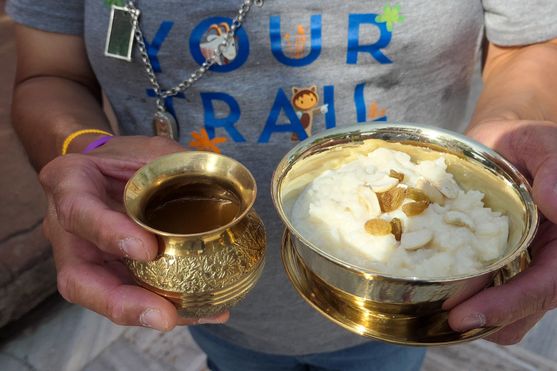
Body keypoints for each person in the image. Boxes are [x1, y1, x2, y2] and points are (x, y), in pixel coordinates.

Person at [6, 0, 557, 370]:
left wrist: (506, 143)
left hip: (407, 310)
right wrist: (87, 150)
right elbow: (49, 76)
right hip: (211, 306)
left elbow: (529, 46)